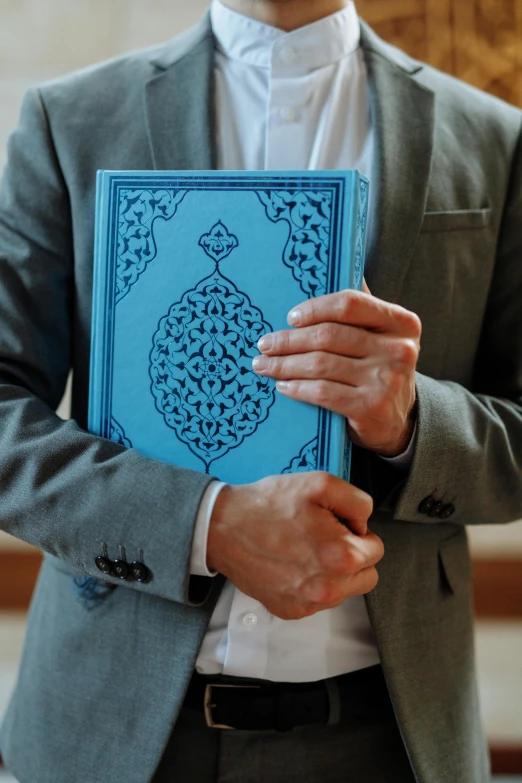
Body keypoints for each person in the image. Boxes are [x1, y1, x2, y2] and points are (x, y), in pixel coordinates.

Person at [0, 0, 521, 780]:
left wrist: (414, 421)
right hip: (116, 727)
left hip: (390, 738)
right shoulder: (68, 118)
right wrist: (206, 524)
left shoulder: (493, 136)